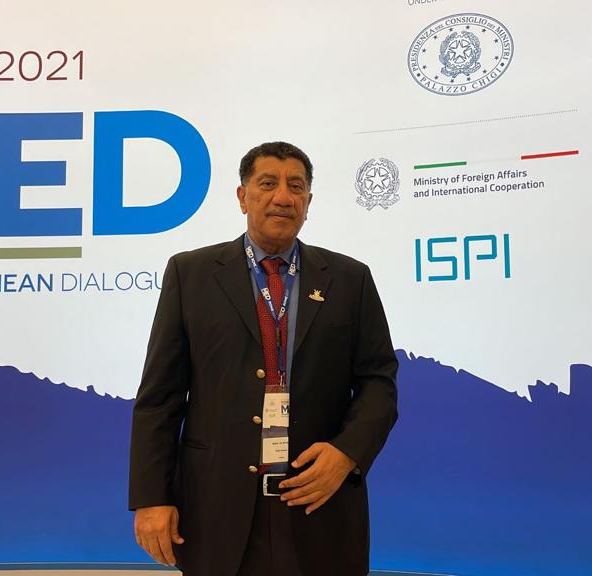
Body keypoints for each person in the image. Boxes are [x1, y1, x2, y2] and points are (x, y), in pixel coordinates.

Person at [129, 141, 398, 576]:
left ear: (308, 201)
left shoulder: (350, 279)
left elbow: (378, 383)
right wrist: (151, 497)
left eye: (297, 186)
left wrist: (347, 453)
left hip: (319, 502)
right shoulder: (191, 274)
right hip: (217, 505)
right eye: (268, 183)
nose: (283, 197)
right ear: (243, 196)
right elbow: (160, 398)